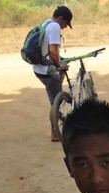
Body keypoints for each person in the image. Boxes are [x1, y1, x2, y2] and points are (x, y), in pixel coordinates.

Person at [32, 5, 74, 142]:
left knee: (55, 98)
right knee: (56, 101)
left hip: (38, 68)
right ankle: (55, 133)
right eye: (66, 23)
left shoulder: (46, 23)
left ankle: (55, 130)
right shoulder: (55, 26)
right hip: (47, 70)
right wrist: (60, 65)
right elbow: (53, 50)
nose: (65, 27)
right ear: (60, 18)